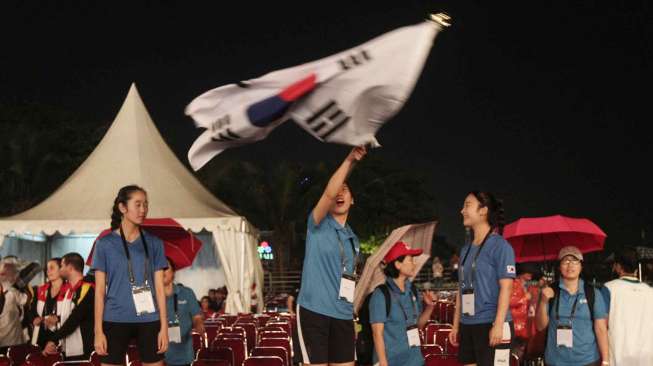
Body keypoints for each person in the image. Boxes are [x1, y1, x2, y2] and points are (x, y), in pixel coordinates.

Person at [296, 146, 366, 366]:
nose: (340, 193)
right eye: (338, 189)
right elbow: (329, 193)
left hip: (343, 315)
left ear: (353, 200)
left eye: (346, 190)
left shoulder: (353, 239)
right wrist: (350, 160)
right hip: (314, 312)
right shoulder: (317, 224)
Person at [92, 185, 169, 366]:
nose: (143, 210)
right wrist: (98, 331)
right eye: (138, 204)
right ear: (122, 208)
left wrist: (164, 327)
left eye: (146, 205)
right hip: (114, 318)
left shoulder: (155, 243)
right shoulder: (104, 244)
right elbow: (99, 292)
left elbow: (159, 288)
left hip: (149, 318)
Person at [449, 191, 516, 366]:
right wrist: (456, 325)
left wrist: (499, 325)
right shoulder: (465, 250)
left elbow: (506, 288)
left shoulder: (500, 246)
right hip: (468, 324)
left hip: (491, 323)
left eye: (467, 205)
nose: (462, 210)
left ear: (483, 210)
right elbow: (461, 288)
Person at [536, 246, 609, 366]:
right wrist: (543, 301)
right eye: (566, 261)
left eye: (575, 261)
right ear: (559, 266)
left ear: (581, 266)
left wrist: (605, 360)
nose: (570, 265)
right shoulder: (549, 292)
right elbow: (540, 326)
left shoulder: (593, 293)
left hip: (587, 360)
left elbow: (601, 328)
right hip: (555, 361)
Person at [370, 241, 437, 366]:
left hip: (415, 360)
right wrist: (383, 363)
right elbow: (377, 334)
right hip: (391, 361)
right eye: (411, 260)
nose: (414, 263)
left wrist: (429, 307)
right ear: (398, 264)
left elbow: (418, 326)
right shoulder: (381, 295)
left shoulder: (413, 291)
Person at [603, 247, 653, 365]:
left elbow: (602, 324)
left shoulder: (608, 288)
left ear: (618, 267)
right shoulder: (650, 291)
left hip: (618, 355)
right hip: (647, 355)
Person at [44, 253, 95, 360]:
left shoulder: (86, 288)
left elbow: (75, 318)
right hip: (68, 349)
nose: (60, 269)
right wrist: (57, 319)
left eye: (61, 266)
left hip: (84, 349)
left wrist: (54, 339)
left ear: (70, 268)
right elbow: (68, 316)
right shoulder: (69, 291)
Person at [163, 258, 204, 366]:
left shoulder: (187, 293)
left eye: (166, 268)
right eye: (159, 268)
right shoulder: (151, 297)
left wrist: (199, 324)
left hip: (184, 354)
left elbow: (197, 317)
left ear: (173, 272)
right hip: (158, 357)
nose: (162, 272)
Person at [30, 257, 64, 349]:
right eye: (47, 269)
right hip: (40, 336)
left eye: (52, 268)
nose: (48, 271)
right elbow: (31, 310)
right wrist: (34, 318)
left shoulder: (69, 290)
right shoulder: (40, 290)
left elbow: (74, 314)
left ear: (61, 269)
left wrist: (58, 318)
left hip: (60, 337)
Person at [509, 263, 540, 359]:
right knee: (514, 355)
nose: (530, 275)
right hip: (515, 327)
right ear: (521, 273)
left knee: (520, 354)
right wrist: (524, 298)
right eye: (528, 272)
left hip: (525, 327)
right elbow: (509, 302)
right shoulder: (513, 284)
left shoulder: (528, 287)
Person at [0, 259, 29, 352]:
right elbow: (26, 299)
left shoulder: (12, 291)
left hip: (11, 338)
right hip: (12, 339)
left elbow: (25, 300)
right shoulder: (13, 290)